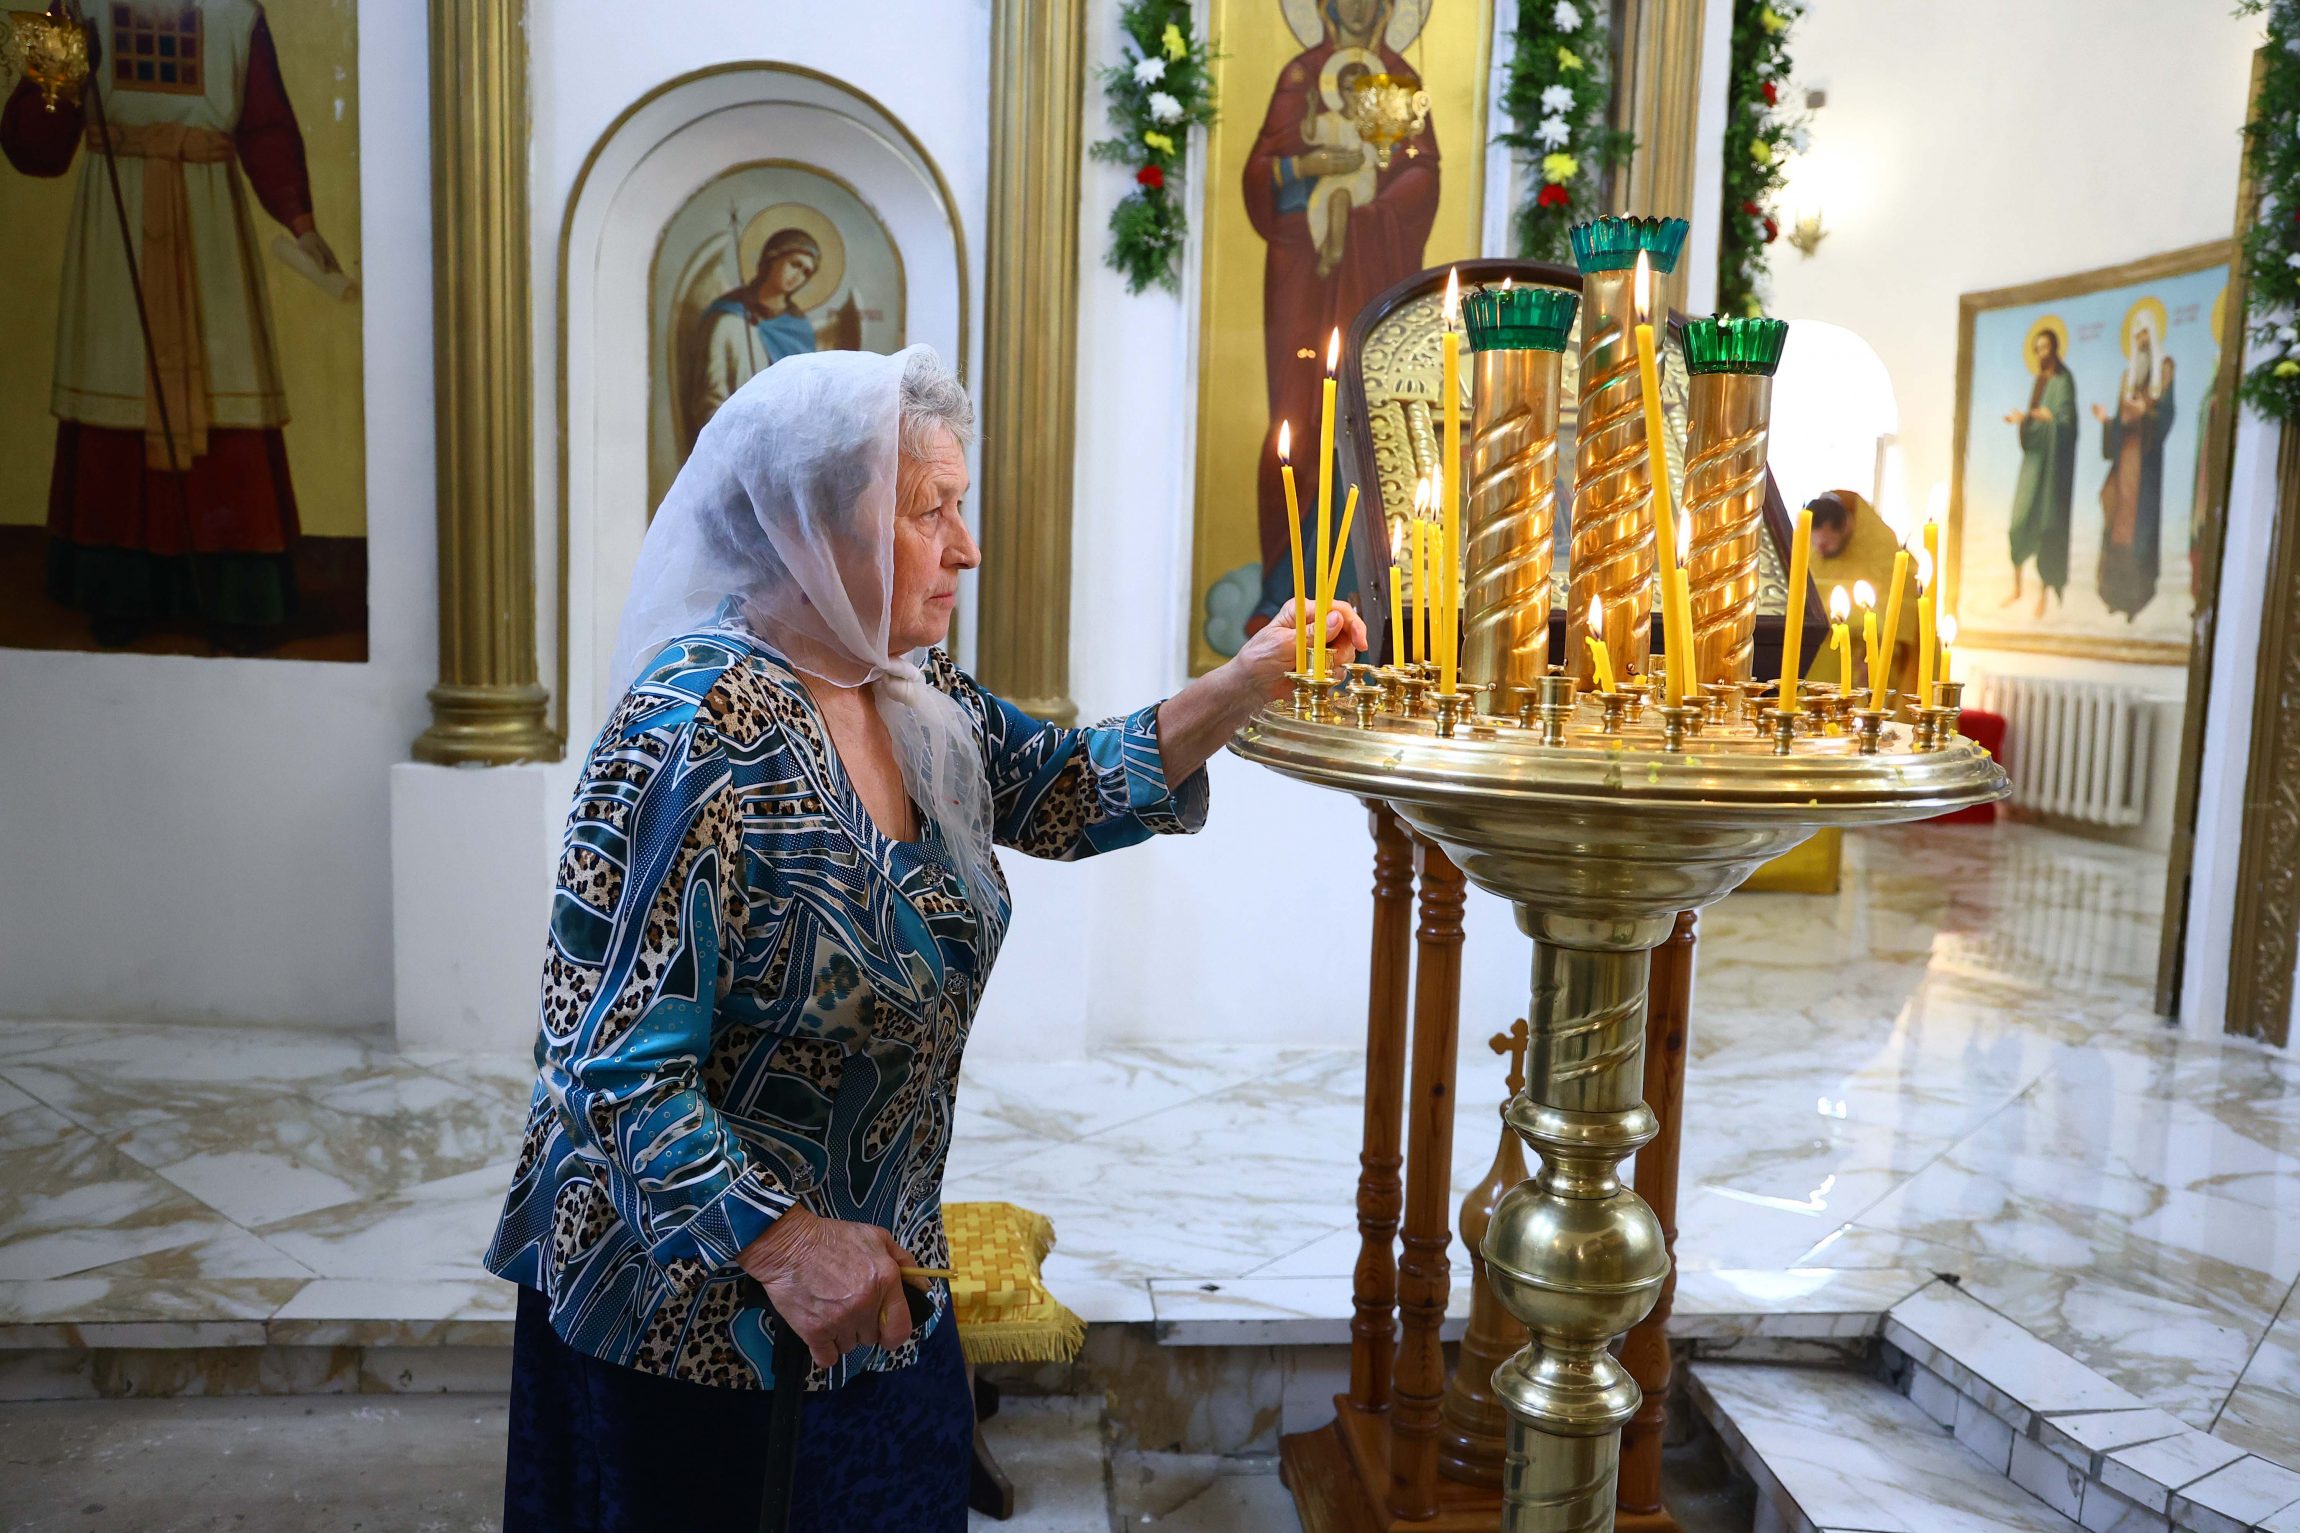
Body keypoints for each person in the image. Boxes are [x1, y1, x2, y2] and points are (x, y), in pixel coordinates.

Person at [486, 346, 1365, 1531]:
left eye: (961, 506)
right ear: (817, 525)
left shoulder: (902, 687)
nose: (967, 548)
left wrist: (1246, 682)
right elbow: (606, 1068)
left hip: (878, 1290)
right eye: (928, 512)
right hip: (692, 1329)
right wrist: (782, 1244)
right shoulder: (688, 735)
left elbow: (1060, 785)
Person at [0, 0, 342, 651]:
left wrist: (301, 222)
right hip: (117, 222)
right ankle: (119, 593)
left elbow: (266, 128)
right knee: (119, 394)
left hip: (208, 226)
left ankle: (236, 598)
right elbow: (34, 148)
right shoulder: (74, 6)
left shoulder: (236, 13)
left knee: (222, 402)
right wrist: (63, 64)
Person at [1241, 0, 1437, 633]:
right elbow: (1260, 174)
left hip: (1374, 282)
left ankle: (1365, 592)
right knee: (1298, 426)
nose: (1356, 5)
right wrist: (1303, 168)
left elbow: (1422, 175)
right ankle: (1282, 592)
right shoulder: (1301, 77)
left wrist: (1368, 214)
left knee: (1367, 427)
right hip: (1303, 281)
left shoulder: (1402, 78)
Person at [1804, 489, 1919, 698]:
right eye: (1815, 543)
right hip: (1815, 660)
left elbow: (1900, 609)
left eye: (1826, 544)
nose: (1819, 550)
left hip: (1865, 663)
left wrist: (1873, 654)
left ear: (1847, 525)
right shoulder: (1811, 552)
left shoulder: (1883, 552)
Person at [2002, 323, 2078, 621]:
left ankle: (2043, 594)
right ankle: (2017, 587)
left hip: (2053, 469)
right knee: (2019, 523)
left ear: (2055, 348)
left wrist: (2049, 418)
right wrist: (2026, 419)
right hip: (2033, 463)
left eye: (2044, 348)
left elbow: (2067, 421)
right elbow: (2036, 419)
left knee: (2048, 528)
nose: (2041, 354)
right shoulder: (2039, 381)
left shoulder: (2063, 381)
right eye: (2037, 350)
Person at [2093, 349, 2175, 621]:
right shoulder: (2128, 382)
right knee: (2115, 529)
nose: (2140, 352)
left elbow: (2165, 420)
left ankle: (2134, 602)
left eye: (2144, 345)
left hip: (2143, 473)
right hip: (2123, 469)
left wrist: (2145, 413)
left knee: (2137, 533)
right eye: (2137, 346)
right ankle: (2112, 596)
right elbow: (2117, 432)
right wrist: (2107, 421)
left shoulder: (2162, 379)